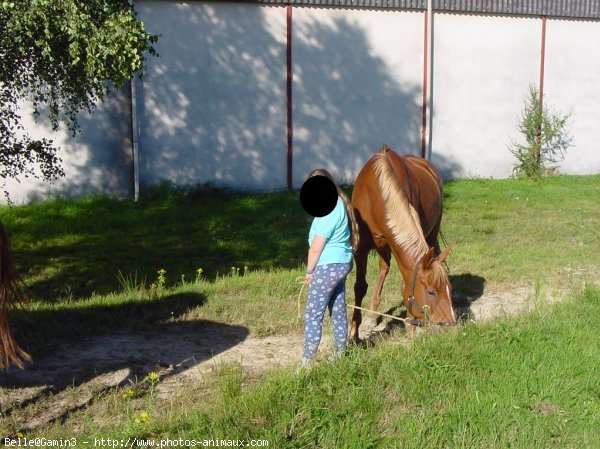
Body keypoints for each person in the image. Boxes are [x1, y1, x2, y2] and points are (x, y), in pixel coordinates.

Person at [301, 169, 356, 368]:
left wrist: (309, 272)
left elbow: (316, 248)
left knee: (313, 313)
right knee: (338, 310)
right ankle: (340, 354)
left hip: (327, 267)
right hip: (341, 264)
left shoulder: (328, 209)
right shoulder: (339, 203)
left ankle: (307, 361)